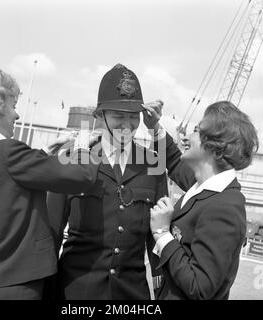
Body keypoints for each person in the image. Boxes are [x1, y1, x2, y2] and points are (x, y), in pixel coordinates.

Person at [47, 63, 195, 300]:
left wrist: (160, 293)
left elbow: (155, 236)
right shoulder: (72, 159)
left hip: (131, 294)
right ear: (99, 115)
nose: (127, 125)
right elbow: (50, 233)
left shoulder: (153, 165)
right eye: (118, 116)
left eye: (132, 117)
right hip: (74, 292)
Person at [0, 66, 99, 300]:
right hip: (17, 285)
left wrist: (44, 151)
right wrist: (83, 146)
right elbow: (82, 177)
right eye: (13, 106)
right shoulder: (8, 151)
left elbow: (6, 178)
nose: (16, 115)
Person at [150, 101, 259, 300]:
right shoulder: (202, 185)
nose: (187, 136)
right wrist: (155, 128)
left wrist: (162, 234)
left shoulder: (224, 207)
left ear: (216, 149)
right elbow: (174, 161)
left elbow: (200, 287)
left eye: (196, 130)